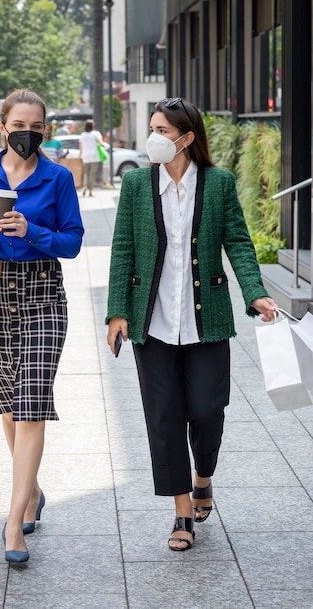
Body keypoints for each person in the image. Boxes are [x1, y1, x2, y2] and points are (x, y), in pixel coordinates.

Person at [106, 97, 278, 552]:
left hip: (207, 322)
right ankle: (182, 512)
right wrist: (117, 311)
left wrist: (254, 291)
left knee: (206, 410)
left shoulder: (218, 184)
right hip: (153, 322)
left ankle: (203, 478)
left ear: (186, 138)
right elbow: (123, 248)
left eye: (162, 130)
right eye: (152, 128)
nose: (153, 138)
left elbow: (238, 240)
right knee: (164, 419)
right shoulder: (138, 185)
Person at [0, 88, 84, 563]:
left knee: (31, 404)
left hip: (42, 293)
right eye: (18, 124)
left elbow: (72, 242)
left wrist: (34, 232)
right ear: (3, 127)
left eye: (36, 126)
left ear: (44, 130)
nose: (26, 133)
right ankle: (30, 492)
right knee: (8, 406)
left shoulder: (58, 179)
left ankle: (13, 525)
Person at [79, 119, 104, 196]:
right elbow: (101, 143)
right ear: (93, 126)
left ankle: (85, 186)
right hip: (94, 156)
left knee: (86, 173)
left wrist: (80, 155)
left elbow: (80, 147)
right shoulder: (96, 134)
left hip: (85, 157)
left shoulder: (83, 135)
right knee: (92, 174)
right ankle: (91, 190)